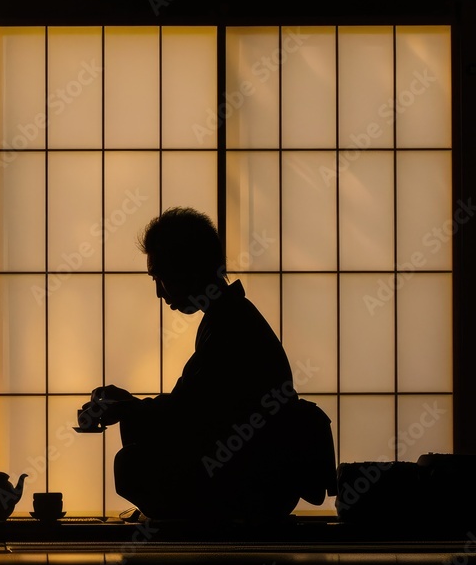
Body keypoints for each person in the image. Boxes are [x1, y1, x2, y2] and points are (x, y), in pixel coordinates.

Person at [82, 207, 335, 520]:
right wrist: (130, 406)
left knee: (132, 465)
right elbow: (193, 409)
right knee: (135, 463)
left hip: (255, 479)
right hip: (255, 472)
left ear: (190, 268)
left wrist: (130, 409)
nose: (159, 293)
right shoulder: (228, 317)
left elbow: (196, 416)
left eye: (161, 277)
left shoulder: (232, 326)